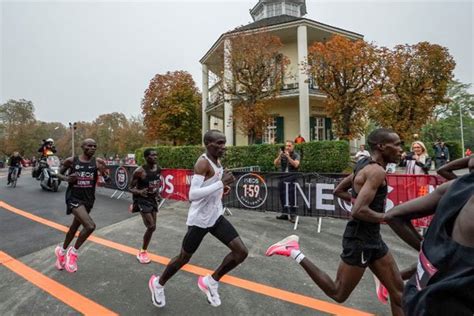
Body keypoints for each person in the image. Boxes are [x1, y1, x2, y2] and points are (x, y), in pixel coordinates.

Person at [266, 129, 405, 316]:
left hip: (373, 237)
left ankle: (382, 281)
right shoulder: (376, 171)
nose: (400, 149)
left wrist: (358, 199)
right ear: (381, 146)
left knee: (399, 294)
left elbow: (339, 190)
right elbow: (359, 211)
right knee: (338, 292)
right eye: (396, 144)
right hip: (360, 239)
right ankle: (294, 251)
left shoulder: (363, 164)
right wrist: (388, 216)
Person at [148, 130, 248, 308]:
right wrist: (220, 183)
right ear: (208, 144)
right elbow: (192, 195)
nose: (223, 146)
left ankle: (211, 281)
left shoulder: (217, 160)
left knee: (241, 252)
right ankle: (158, 283)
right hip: (199, 221)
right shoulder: (202, 163)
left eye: (224, 143)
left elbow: (210, 186)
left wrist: (221, 189)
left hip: (215, 216)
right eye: (219, 143)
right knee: (183, 259)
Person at [384, 155, 474, 315]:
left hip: (418, 297)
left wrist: (427, 250)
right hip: (450, 304)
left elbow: (393, 215)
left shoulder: (455, 186)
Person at [53, 139, 110, 273]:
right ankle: (73, 253)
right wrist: (67, 179)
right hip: (74, 198)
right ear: (82, 146)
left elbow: (107, 180)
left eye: (95, 146)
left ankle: (61, 252)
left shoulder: (98, 162)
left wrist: (105, 174)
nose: (92, 148)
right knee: (90, 226)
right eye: (89, 146)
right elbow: (57, 173)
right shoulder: (71, 161)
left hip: (89, 200)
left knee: (74, 228)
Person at [129, 148, 161, 264]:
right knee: (151, 226)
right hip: (142, 200)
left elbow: (156, 184)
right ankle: (142, 251)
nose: (155, 157)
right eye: (152, 155)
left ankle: (143, 250)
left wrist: (157, 194)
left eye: (156, 155)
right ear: (146, 157)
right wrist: (139, 192)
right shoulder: (139, 171)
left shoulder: (158, 169)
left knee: (153, 227)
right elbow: (130, 188)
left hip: (152, 200)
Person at [273, 140, 301, 223]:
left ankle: (293, 215)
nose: (287, 147)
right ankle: (284, 213)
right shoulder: (283, 154)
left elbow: (296, 164)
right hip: (282, 177)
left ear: (293, 146)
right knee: (282, 195)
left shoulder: (296, 155)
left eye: (289, 146)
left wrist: (288, 157)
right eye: (286, 146)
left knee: (292, 197)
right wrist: (279, 156)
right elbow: (275, 163)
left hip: (292, 178)